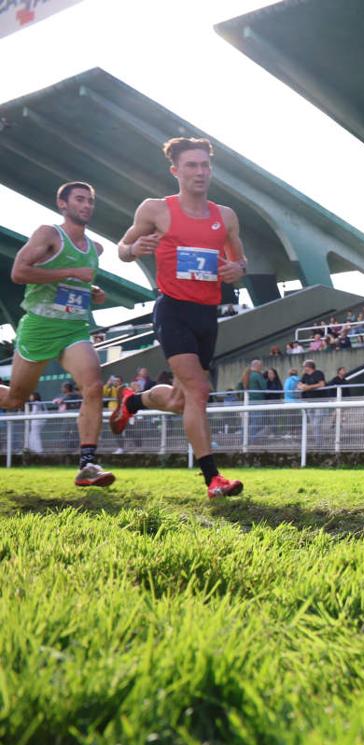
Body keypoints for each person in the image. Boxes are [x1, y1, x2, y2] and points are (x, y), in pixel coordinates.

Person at [109, 137, 245, 497]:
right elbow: (122, 248)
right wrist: (134, 249)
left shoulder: (225, 216)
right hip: (172, 309)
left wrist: (235, 269)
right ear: (176, 171)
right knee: (200, 392)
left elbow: (240, 261)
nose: (200, 172)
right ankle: (213, 479)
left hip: (207, 314)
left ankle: (132, 401)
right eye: (192, 165)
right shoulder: (156, 210)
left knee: (180, 400)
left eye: (205, 165)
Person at [0, 181, 115, 487]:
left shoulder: (96, 248)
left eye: (90, 200)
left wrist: (90, 290)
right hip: (40, 325)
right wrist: (70, 273)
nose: (87, 205)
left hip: (74, 328)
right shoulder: (49, 234)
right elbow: (19, 272)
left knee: (92, 386)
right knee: (14, 399)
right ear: (62, 204)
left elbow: (72, 285)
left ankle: (88, 465)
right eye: (80, 199)